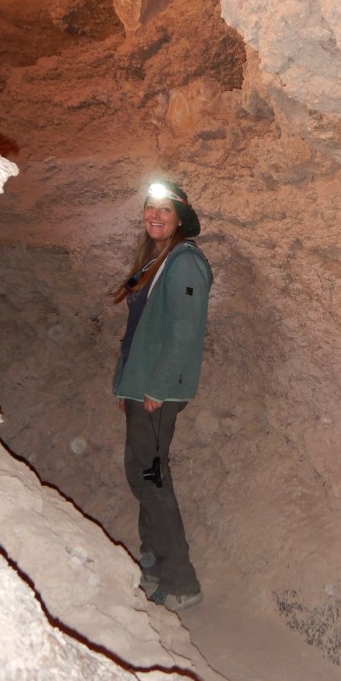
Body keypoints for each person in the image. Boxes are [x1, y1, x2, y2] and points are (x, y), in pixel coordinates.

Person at [112, 180, 212, 612]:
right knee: (143, 475)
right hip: (142, 387)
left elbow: (184, 330)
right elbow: (139, 331)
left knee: (152, 479)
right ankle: (152, 564)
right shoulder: (157, 259)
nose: (154, 215)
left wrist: (157, 387)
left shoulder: (185, 263)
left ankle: (181, 582)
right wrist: (126, 384)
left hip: (158, 391)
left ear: (180, 217)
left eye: (164, 209)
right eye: (150, 207)